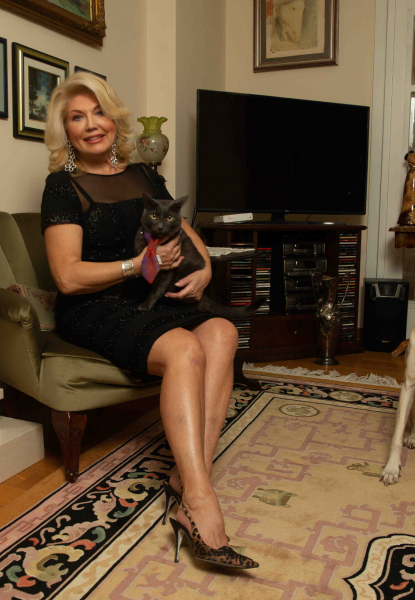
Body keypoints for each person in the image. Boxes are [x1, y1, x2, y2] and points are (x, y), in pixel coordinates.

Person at [40, 73, 258, 569]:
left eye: (98, 112)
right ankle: (199, 503)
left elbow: (184, 228)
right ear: (65, 131)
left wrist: (204, 269)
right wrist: (135, 266)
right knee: (184, 348)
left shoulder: (143, 173)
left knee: (222, 331)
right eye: (77, 117)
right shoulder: (61, 187)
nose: (91, 125)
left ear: (114, 117)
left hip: (152, 297)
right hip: (95, 306)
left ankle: (186, 477)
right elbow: (67, 277)